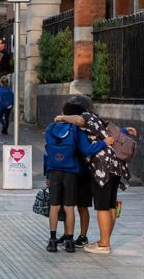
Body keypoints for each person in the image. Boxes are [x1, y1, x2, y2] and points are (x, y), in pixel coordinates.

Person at [55, 95, 136, 255]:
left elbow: (80, 126)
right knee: (111, 205)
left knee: (102, 206)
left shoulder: (84, 119)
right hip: (116, 166)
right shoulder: (96, 119)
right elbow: (110, 134)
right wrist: (125, 130)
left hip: (102, 169)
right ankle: (104, 240)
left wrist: (62, 118)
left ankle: (104, 244)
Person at [43, 107, 112, 254]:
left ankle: (52, 240)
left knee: (54, 206)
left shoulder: (50, 127)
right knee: (69, 207)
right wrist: (104, 143)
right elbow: (87, 150)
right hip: (71, 171)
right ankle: (69, 241)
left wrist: (47, 174)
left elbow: (46, 151)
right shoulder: (76, 130)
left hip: (54, 170)